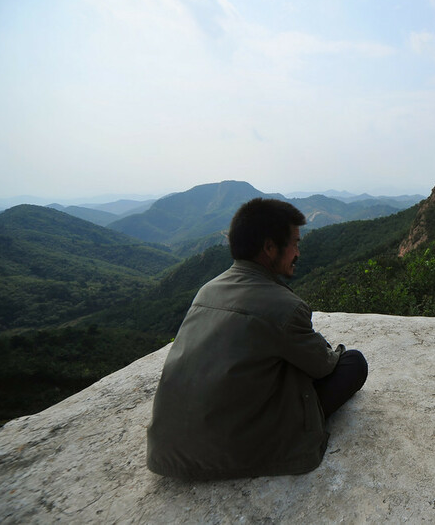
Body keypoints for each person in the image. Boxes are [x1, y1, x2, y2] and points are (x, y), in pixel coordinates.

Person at [146, 198, 368, 480]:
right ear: (270, 248)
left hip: (167, 449)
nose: (298, 253)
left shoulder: (207, 291)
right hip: (230, 449)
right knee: (353, 363)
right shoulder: (285, 306)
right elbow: (323, 365)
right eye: (295, 244)